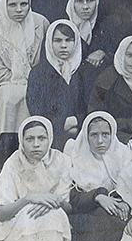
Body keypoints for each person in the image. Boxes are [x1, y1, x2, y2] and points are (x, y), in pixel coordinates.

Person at [64, 111, 130, 241]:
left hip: (113, 216)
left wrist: (119, 199)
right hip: (84, 215)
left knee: (109, 218)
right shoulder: (75, 156)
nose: (100, 141)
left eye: (105, 134)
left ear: (112, 134)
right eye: (94, 135)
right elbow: (72, 198)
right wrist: (98, 196)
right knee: (102, 218)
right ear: (86, 136)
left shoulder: (124, 155)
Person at [0, 0, 50, 157]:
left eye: (24, 4)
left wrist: (33, 82)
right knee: (11, 95)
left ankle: (33, 151)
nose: (19, 9)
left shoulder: (40, 23)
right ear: (3, 5)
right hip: (3, 82)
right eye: (12, 5)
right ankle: (7, 151)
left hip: (37, 79)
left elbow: (46, 59)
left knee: (30, 93)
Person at [26, 19, 92, 149]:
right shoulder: (38, 73)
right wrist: (63, 124)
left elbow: (92, 106)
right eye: (57, 40)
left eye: (68, 40)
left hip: (82, 133)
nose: (63, 45)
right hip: (51, 134)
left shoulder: (87, 71)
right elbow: (36, 109)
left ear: (76, 42)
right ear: (49, 43)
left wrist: (77, 121)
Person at [65, 0, 118, 80]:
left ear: (96, 1)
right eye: (79, 1)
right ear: (72, 3)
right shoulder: (62, 28)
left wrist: (103, 53)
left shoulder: (105, 27)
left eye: (90, 0)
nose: (85, 6)